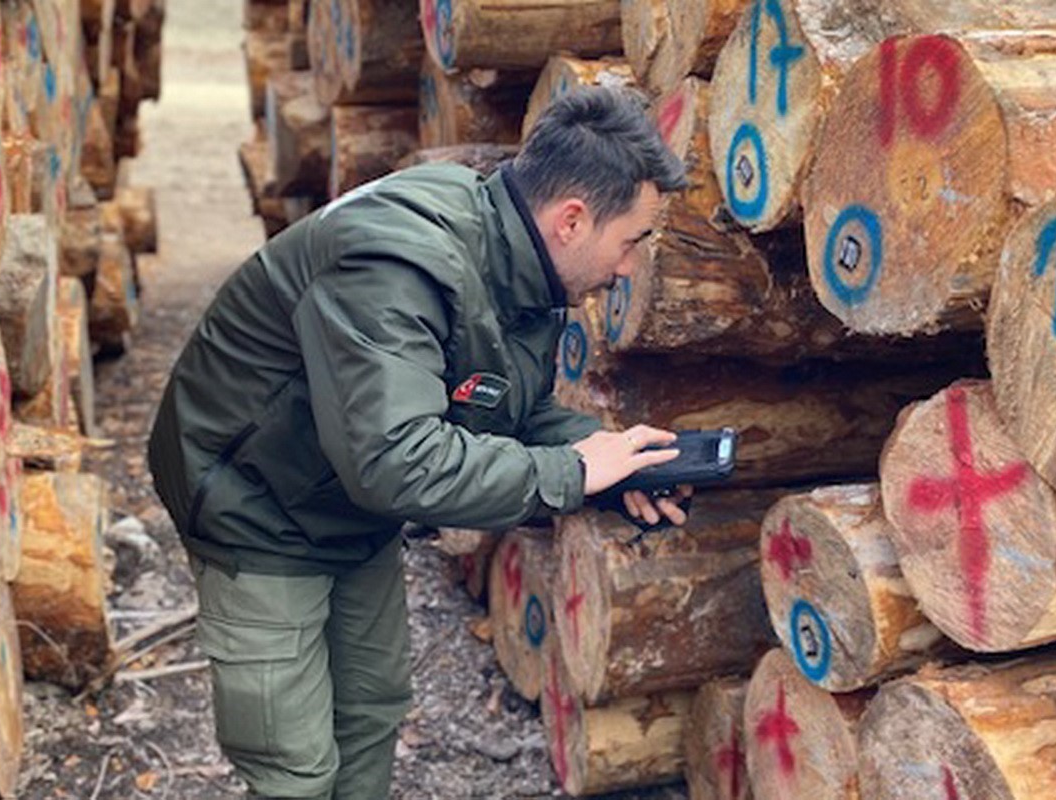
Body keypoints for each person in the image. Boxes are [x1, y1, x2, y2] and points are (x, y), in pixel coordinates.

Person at [147, 87, 691, 800]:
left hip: (343, 496)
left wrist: (612, 458)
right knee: (295, 766)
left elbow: (497, 409)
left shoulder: (516, 260)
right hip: (252, 501)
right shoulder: (399, 264)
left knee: (370, 709)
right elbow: (394, 461)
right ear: (572, 220)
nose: (628, 268)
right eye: (631, 242)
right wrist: (565, 473)